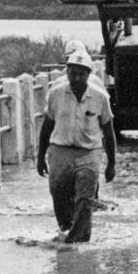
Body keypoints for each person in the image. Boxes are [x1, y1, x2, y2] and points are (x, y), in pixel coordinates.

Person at [36, 49, 116, 243]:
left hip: (89, 152)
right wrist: (40, 157)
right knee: (58, 192)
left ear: (89, 74)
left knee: (84, 198)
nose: (77, 78)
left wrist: (111, 164)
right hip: (60, 150)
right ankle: (65, 229)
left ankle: (79, 240)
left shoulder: (100, 97)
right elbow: (47, 126)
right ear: (67, 72)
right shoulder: (56, 94)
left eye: (81, 74)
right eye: (73, 73)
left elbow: (108, 131)